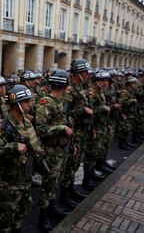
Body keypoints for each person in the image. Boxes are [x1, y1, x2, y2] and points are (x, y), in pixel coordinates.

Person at [0, 84, 44, 232]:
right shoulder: (5, 126)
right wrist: (13, 147)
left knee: (20, 217)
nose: (30, 104)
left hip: (24, 181)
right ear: (16, 104)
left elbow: (35, 143)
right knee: (5, 223)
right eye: (26, 102)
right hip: (9, 185)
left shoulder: (26, 122)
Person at [36, 69, 74, 232]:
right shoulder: (46, 102)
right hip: (50, 151)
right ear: (64, 86)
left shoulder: (62, 101)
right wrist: (61, 128)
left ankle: (51, 207)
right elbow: (41, 129)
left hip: (61, 149)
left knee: (55, 181)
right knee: (47, 184)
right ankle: (42, 215)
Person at [61, 58, 95, 194]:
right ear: (78, 73)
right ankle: (65, 193)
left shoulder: (81, 87)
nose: (87, 74)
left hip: (82, 131)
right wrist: (83, 110)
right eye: (85, 72)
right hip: (74, 132)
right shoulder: (70, 90)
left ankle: (70, 189)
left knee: (75, 164)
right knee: (71, 164)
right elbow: (66, 113)